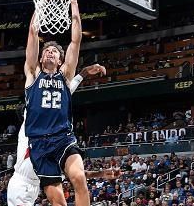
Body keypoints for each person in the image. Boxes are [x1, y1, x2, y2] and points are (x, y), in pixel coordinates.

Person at [8, 64, 115, 206]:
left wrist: (100, 174)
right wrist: (82, 74)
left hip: (33, 186)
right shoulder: (31, 121)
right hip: (21, 186)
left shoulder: (52, 141)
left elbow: (74, 174)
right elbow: (60, 94)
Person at [24, 0, 89, 205]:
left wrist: (74, 3)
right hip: (39, 143)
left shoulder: (66, 75)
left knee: (79, 178)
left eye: (54, 51)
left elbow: (76, 40)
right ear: (41, 57)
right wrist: (41, 0)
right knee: (58, 201)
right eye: (47, 50)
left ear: (61, 60)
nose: (49, 52)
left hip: (63, 137)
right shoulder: (32, 74)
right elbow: (33, 33)